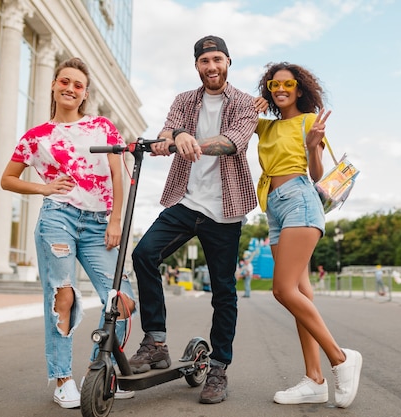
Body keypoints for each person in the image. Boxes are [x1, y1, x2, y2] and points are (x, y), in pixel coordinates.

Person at [128, 35, 263, 405]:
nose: (212, 67)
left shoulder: (245, 106)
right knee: (144, 255)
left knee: (223, 291)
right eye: (205, 61)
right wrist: (176, 135)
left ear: (228, 62)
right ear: (197, 66)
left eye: (218, 59)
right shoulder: (183, 100)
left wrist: (190, 142)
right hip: (185, 201)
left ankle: (218, 367)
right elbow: (166, 131)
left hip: (226, 210)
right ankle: (155, 341)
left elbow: (233, 142)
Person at [0, 57, 137, 409]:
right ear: (53, 85)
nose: (70, 89)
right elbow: (7, 179)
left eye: (78, 85)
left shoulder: (103, 127)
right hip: (57, 218)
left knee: (120, 301)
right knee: (64, 297)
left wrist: (116, 219)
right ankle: (62, 379)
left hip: (99, 221)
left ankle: (99, 371)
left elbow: (118, 175)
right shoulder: (37, 136)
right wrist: (44, 190)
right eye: (65, 81)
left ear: (85, 93)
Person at [254, 62, 362, 408]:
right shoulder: (265, 127)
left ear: (299, 89)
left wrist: (314, 145)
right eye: (274, 84)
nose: (280, 89)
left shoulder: (308, 121)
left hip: (300, 199)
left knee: (283, 289)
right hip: (274, 210)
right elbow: (230, 118)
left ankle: (341, 358)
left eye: (287, 84)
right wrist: (247, 107)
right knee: (300, 293)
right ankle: (314, 379)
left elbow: (316, 173)